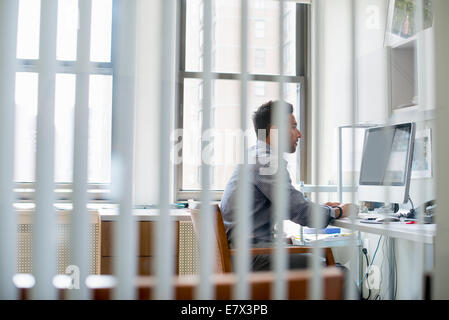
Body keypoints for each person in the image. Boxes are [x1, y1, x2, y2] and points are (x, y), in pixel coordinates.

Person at [220, 100, 356, 271]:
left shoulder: (255, 155)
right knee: (338, 273)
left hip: (244, 254)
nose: (299, 134)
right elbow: (299, 211)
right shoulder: (267, 162)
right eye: (293, 127)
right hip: (252, 258)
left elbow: (287, 206)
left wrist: (322, 208)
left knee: (324, 261)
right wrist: (340, 211)